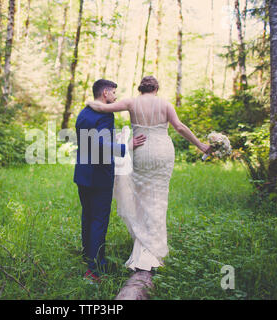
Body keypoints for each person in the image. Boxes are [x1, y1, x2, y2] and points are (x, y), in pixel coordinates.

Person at [86, 76, 211, 273]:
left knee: (142, 198)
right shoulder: (165, 104)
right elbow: (179, 127)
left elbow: (101, 108)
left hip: (142, 151)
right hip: (163, 153)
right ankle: (154, 248)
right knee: (159, 199)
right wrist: (201, 145)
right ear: (156, 89)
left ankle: (143, 243)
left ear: (140, 88)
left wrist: (89, 102)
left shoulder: (131, 102)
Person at [74, 79, 147, 283]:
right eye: (114, 92)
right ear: (105, 93)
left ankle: (88, 256)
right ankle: (94, 268)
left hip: (82, 173)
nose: (115, 96)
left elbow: (89, 140)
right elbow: (99, 144)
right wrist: (127, 146)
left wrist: (113, 140)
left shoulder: (83, 112)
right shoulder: (105, 114)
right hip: (99, 175)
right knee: (99, 220)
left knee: (88, 216)